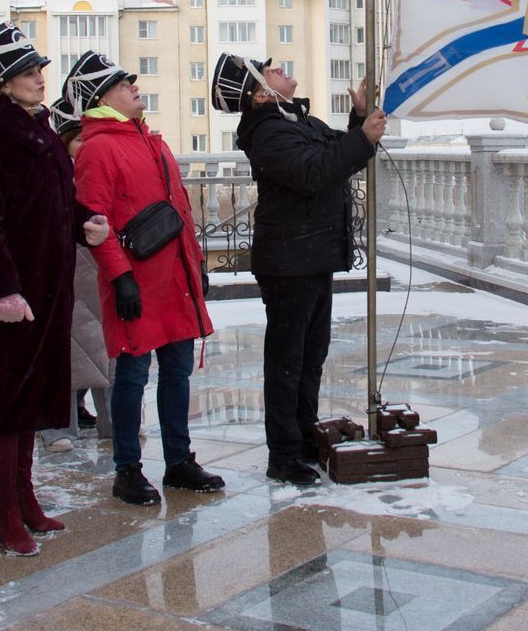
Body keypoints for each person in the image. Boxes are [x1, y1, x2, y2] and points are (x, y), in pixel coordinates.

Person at [0, 23, 110, 557]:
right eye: (27, 73)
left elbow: (56, 202)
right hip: (13, 299)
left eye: (38, 71)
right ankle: (4, 514)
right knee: (8, 402)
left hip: (49, 289)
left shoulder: (43, 133)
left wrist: (83, 222)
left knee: (30, 401)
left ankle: (25, 500)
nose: (39, 80)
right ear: (2, 84)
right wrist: (3, 291)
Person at [215, 54, 386, 486]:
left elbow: (334, 153)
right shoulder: (269, 131)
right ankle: (284, 454)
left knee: (311, 357)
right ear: (259, 93)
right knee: (288, 362)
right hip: (290, 262)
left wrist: (359, 117)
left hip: (311, 255)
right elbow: (315, 174)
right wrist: (362, 139)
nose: (280, 69)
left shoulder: (294, 119)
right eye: (269, 71)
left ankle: (305, 435)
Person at [69, 50, 224, 505]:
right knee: (132, 375)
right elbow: (92, 223)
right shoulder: (97, 148)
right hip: (136, 280)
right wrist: (120, 278)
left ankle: (179, 461)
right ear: (102, 98)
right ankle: (127, 470)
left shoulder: (152, 142)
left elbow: (181, 210)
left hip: (174, 279)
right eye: (123, 83)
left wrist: (195, 264)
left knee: (177, 372)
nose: (134, 86)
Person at [40, 94, 114, 450]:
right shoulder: (54, 177)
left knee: (105, 347)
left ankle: (113, 420)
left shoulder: (99, 168)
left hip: (100, 270)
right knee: (71, 349)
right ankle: (58, 425)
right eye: (79, 139)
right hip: (68, 272)